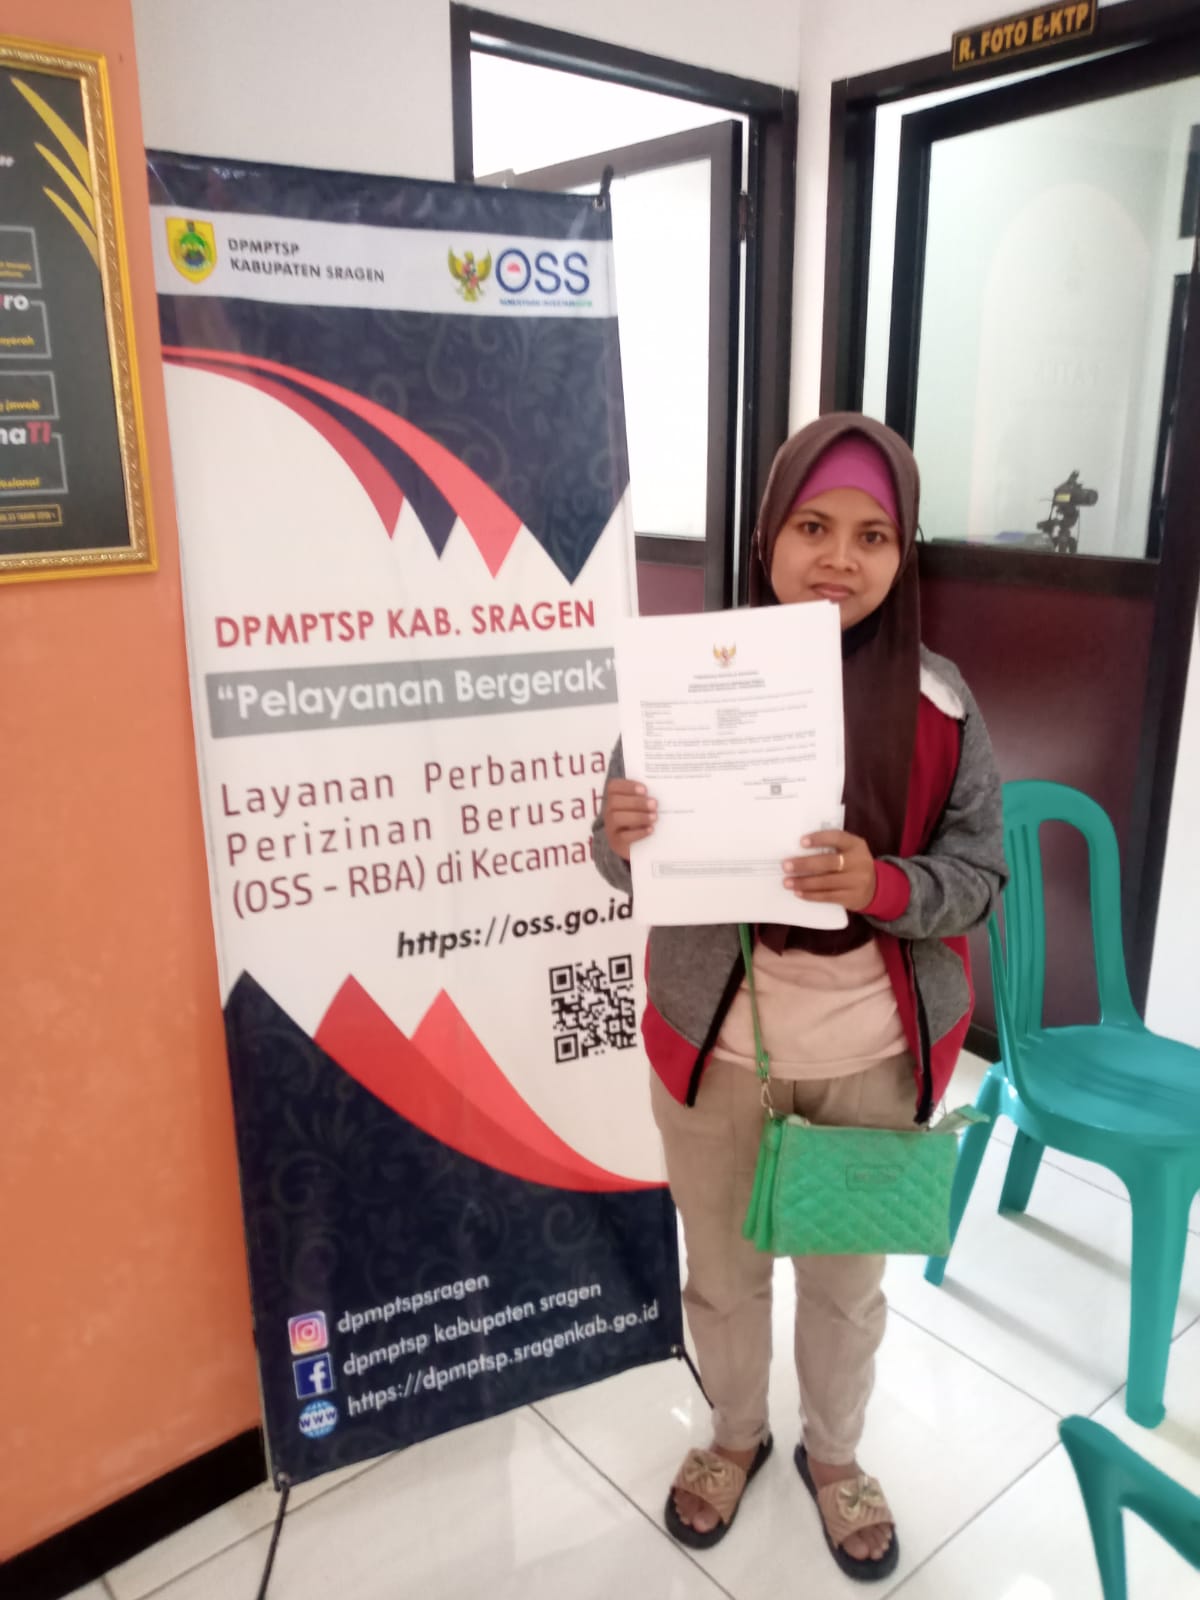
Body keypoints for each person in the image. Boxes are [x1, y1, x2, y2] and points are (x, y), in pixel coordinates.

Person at [592, 414, 1006, 1582]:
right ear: (766, 536)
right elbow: (621, 860)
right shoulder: (687, 684)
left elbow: (980, 877)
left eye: (874, 535)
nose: (840, 557)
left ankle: (835, 1451)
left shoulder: (942, 705)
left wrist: (883, 884)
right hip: (719, 1048)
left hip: (872, 1057)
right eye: (814, 525)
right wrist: (619, 836)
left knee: (843, 1284)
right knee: (723, 1274)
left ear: (905, 552)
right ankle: (736, 1432)